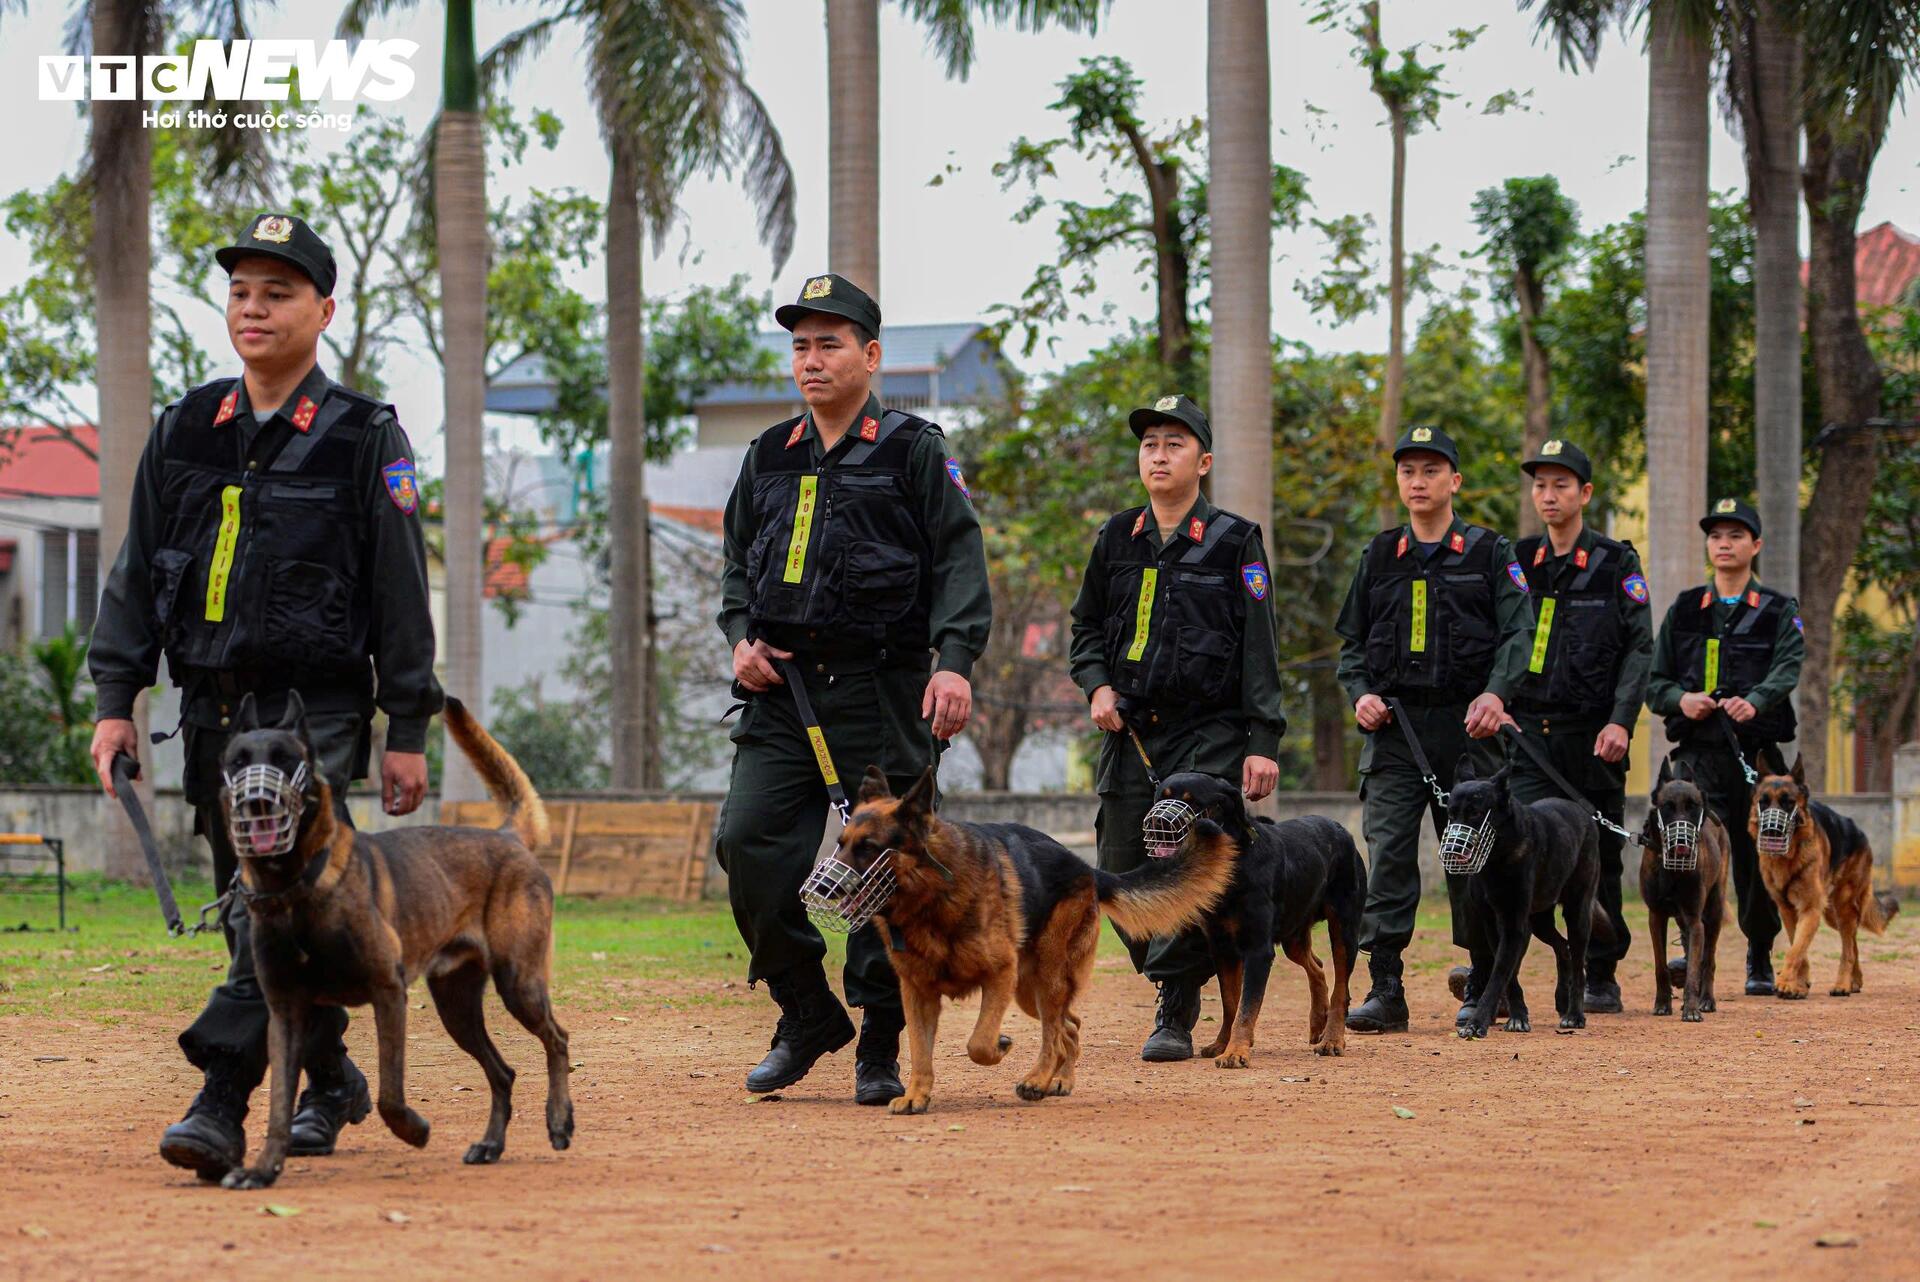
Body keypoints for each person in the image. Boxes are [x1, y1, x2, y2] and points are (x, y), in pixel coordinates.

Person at [87, 213, 443, 1179]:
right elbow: (134, 575)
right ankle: (328, 1083)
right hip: (212, 718)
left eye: (277, 292)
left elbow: (401, 591)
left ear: (324, 310)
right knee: (274, 918)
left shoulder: (367, 438)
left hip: (312, 720)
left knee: (259, 919)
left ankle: (220, 1103)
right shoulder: (184, 427)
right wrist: (118, 695)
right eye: (241, 290)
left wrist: (407, 725)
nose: (254, 307)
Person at [714, 272, 991, 1103]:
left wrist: (954, 660)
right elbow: (735, 567)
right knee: (747, 840)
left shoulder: (913, 448)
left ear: (870, 356)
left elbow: (959, 561)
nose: (811, 359)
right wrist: (739, 642)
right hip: (784, 699)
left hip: (880, 692)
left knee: (885, 871)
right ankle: (805, 1009)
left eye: (829, 343)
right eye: (799, 345)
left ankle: (879, 1038)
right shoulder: (768, 454)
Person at [1067, 394, 1285, 1061]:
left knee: (1186, 861)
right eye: (1150, 445)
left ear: (1205, 461)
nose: (1158, 456)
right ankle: (1170, 974)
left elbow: (1259, 647)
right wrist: (1097, 685)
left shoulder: (1234, 540)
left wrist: (1263, 741)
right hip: (1130, 730)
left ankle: (1175, 1001)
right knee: (1119, 868)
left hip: (1208, 733)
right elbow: (1084, 630)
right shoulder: (1116, 537)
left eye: (1174, 444)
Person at [1334, 425, 1533, 1033]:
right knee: (1389, 851)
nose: (1417, 482)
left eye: (1429, 470)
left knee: (1469, 857)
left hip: (1469, 730)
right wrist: (1361, 693)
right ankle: (1386, 987)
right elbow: (1350, 646)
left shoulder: (1489, 552)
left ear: (1455, 481)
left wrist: (1497, 694)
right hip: (1395, 732)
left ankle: (1482, 980)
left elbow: (1519, 634)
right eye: (1407, 472)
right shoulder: (1378, 554)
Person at [1495, 439, 1651, 1017]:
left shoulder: (1616, 563)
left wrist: (1621, 722)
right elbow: (1500, 635)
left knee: (1599, 859)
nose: (1549, 494)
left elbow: (1640, 648)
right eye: (1540, 485)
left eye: (1561, 484)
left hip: (1593, 736)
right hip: (1529, 738)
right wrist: (1498, 698)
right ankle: (1499, 973)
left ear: (1584, 494)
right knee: (1514, 848)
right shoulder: (1518, 560)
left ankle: (1601, 971)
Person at [1645, 497, 1801, 996]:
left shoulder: (1778, 609)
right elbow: (1656, 682)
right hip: (1695, 758)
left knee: (1760, 852)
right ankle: (1692, 948)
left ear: (1755, 545)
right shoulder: (1687, 607)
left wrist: (1755, 701)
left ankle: (1759, 952)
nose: (1724, 544)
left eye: (1735, 536)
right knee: (1688, 844)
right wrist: (1681, 698)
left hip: (1754, 756)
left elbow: (1789, 667)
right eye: (1716, 536)